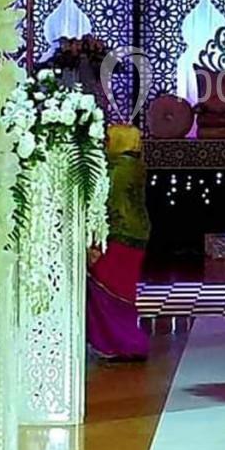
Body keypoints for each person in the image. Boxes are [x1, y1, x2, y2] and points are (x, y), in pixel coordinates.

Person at [85, 124, 151, 361]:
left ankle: (124, 343)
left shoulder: (120, 168)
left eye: (108, 139)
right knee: (120, 290)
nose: (104, 144)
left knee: (110, 290)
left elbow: (108, 201)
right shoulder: (135, 165)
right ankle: (121, 343)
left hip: (119, 235)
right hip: (134, 235)